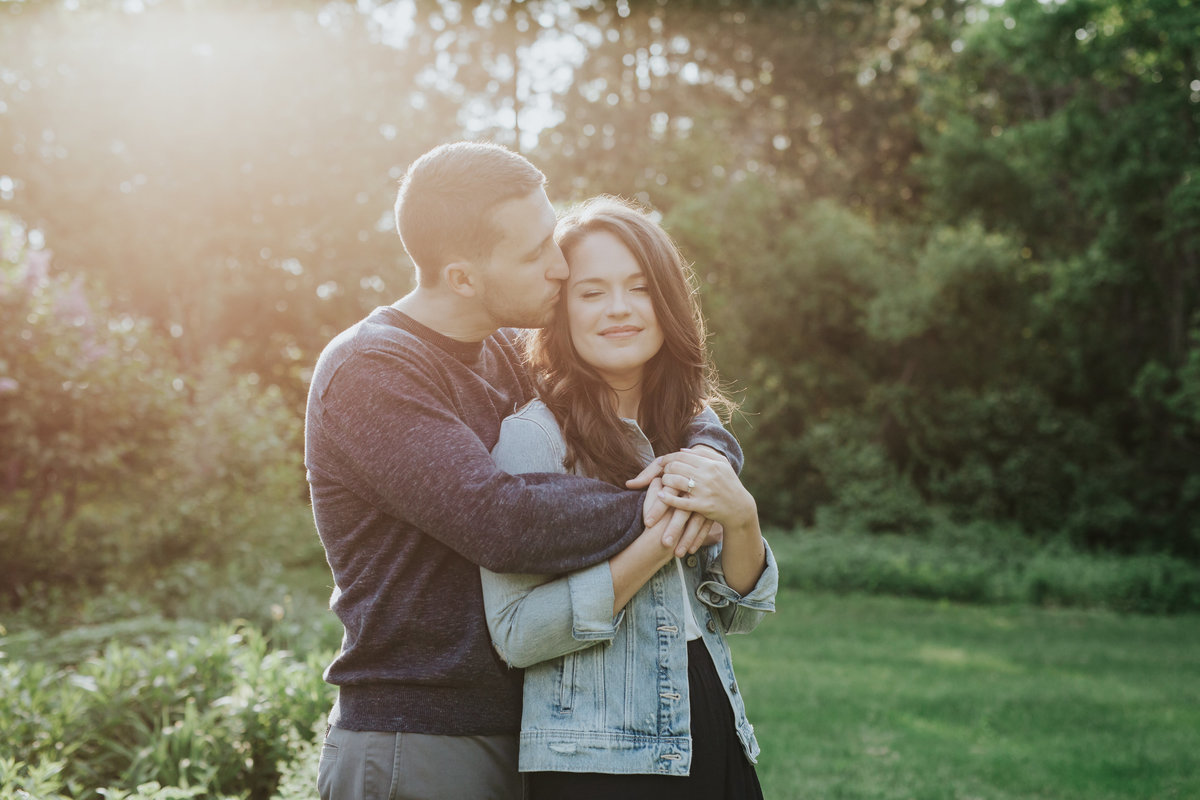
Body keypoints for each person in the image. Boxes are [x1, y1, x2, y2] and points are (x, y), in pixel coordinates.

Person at [304, 142, 742, 800]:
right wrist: (663, 506)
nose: (561, 267)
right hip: (423, 740)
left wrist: (708, 461)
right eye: (537, 252)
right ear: (462, 278)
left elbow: (674, 408)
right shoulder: (372, 370)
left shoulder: (509, 352)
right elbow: (498, 518)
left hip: (528, 730)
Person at [480, 195, 778, 799]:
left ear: (666, 301)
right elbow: (515, 633)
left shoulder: (692, 428)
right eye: (591, 293)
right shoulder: (534, 438)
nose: (618, 309)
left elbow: (736, 613)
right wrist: (659, 541)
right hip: (595, 756)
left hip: (710, 724)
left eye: (639, 288)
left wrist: (742, 516)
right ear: (561, 311)